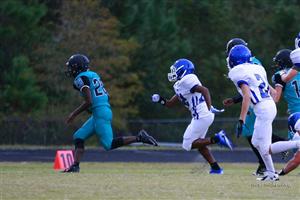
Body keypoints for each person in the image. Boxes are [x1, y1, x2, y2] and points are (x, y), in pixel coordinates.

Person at [64, 54, 158, 172]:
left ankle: (139, 138)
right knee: (79, 136)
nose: (70, 70)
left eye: (71, 67)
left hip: (101, 114)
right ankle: (75, 166)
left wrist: (74, 114)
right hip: (100, 112)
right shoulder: (93, 74)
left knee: (108, 144)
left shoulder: (80, 78)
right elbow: (104, 95)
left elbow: (89, 101)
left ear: (77, 67)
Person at [151, 58, 233, 175]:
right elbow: (170, 103)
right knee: (200, 144)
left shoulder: (188, 79)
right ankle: (216, 168)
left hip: (202, 115)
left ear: (183, 70)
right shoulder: (181, 84)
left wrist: (209, 108)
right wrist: (160, 100)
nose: (173, 72)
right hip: (201, 116)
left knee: (187, 144)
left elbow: (205, 90)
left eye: (175, 69)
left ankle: (218, 138)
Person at [223, 38, 286, 176]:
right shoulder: (257, 67)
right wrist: (279, 84)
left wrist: (241, 119)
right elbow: (271, 92)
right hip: (265, 106)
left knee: (264, 146)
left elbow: (247, 95)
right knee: (256, 141)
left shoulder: (237, 71)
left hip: (262, 108)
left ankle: (271, 172)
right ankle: (269, 170)